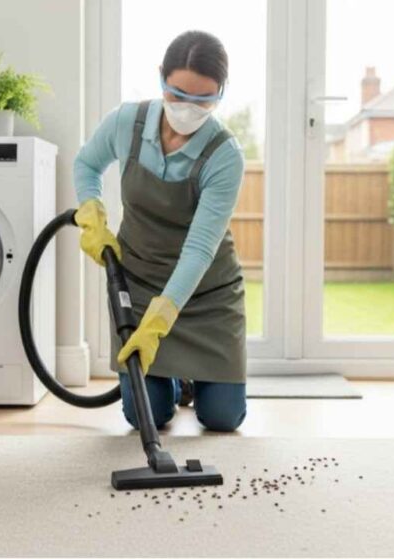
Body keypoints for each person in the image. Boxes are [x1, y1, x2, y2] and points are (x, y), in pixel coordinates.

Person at [73, 30, 247, 432]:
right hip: (139, 281)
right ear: (161, 78)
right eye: (178, 94)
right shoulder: (126, 123)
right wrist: (91, 211)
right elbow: (86, 164)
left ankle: (196, 381)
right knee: (146, 416)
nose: (189, 108)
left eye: (204, 100)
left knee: (222, 417)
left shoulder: (224, 154)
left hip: (207, 293)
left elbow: (199, 249)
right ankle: (174, 384)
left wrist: (161, 319)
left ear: (220, 93)